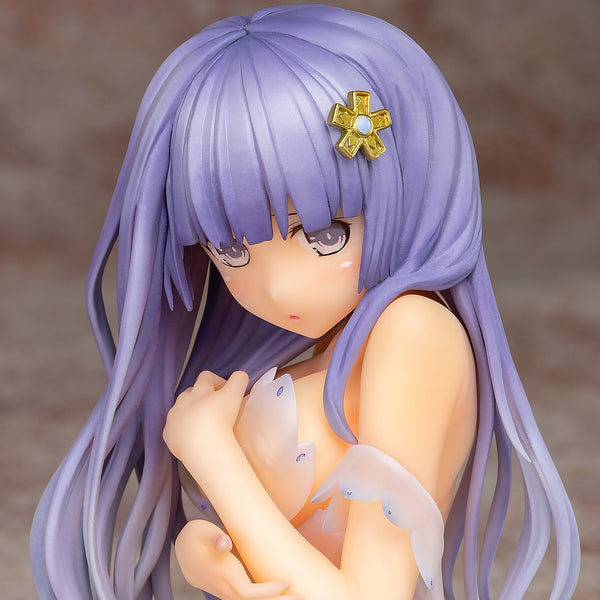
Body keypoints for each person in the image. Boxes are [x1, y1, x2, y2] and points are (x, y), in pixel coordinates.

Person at [31, 5, 580, 599]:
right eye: (230, 250)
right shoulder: (328, 346)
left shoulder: (413, 331)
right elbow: (289, 541)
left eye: (324, 235)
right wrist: (203, 551)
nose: (277, 288)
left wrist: (213, 455)